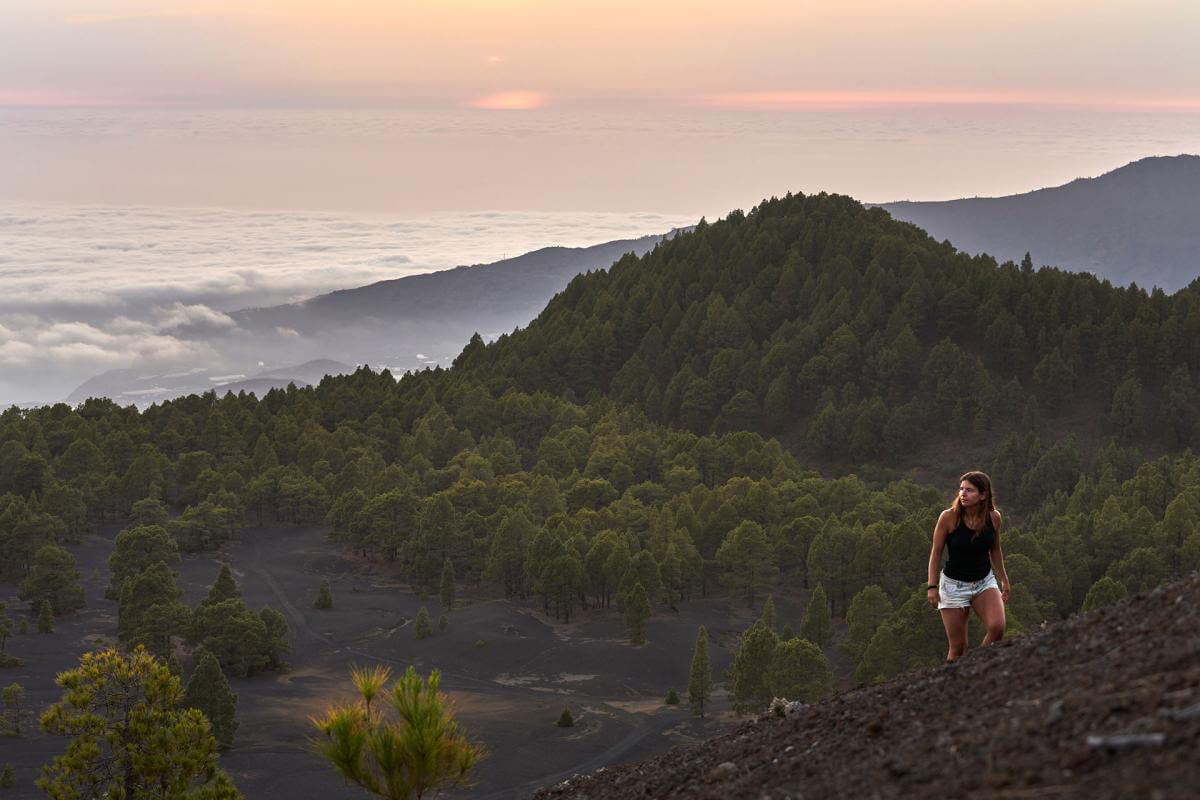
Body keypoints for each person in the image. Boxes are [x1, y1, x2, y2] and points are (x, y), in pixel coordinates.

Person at [925, 470, 1010, 661]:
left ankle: (976, 666)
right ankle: (951, 683)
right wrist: (932, 586)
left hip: (983, 582)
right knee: (958, 648)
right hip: (954, 586)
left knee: (997, 628)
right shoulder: (948, 517)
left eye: (969, 490)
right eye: (961, 489)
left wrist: (1004, 580)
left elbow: (995, 551)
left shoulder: (994, 517)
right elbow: (936, 552)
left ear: (983, 495)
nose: (963, 494)